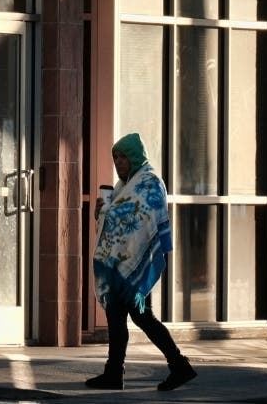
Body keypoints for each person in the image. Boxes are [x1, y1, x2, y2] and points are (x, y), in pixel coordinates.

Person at [87, 133, 196, 392]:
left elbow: (141, 220)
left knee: (143, 315)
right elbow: (115, 224)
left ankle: (180, 366)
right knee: (116, 317)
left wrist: (109, 212)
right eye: (115, 157)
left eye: (123, 156)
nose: (119, 162)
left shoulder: (149, 183)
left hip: (138, 271)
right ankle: (114, 373)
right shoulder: (124, 186)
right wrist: (101, 213)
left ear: (135, 156)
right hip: (117, 270)